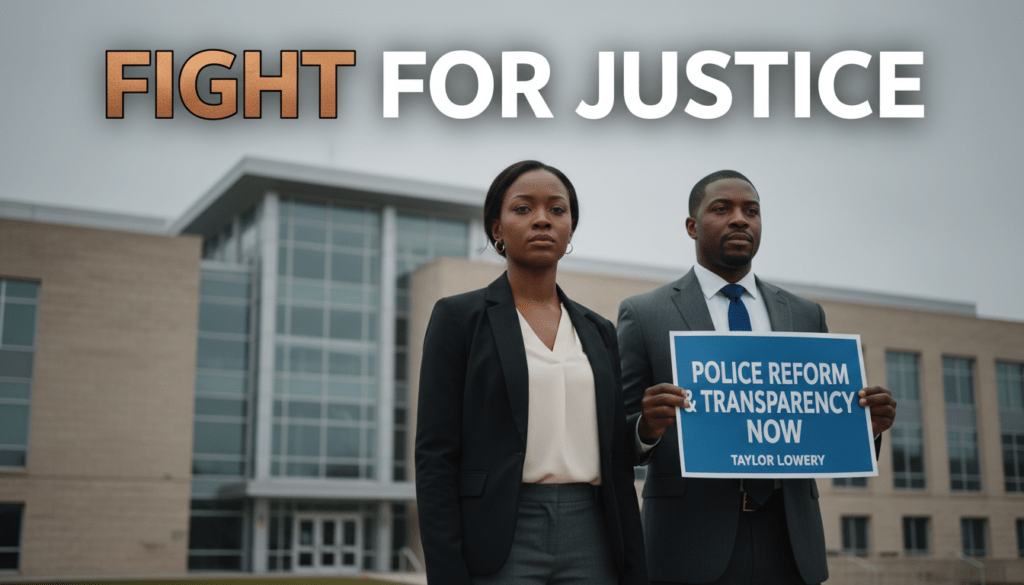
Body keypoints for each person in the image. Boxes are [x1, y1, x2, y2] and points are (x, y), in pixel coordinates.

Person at [616, 170, 897, 585]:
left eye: (751, 211)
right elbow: (618, 440)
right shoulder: (644, 314)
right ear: (692, 226)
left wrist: (864, 430)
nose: (740, 220)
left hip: (789, 540)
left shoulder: (805, 314)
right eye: (721, 209)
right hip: (688, 543)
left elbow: (821, 433)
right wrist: (646, 426)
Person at [415, 160, 648, 585]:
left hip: (593, 532)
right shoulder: (458, 319)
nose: (542, 219)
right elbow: (435, 458)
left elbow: (615, 451)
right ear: (497, 229)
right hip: (500, 534)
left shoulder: (599, 331)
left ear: (571, 229)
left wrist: (647, 429)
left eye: (557, 210)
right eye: (523, 209)